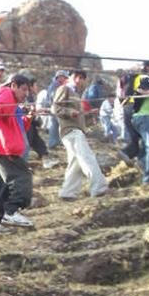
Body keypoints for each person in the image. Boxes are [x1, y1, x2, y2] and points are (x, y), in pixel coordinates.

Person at [0, 74, 34, 235]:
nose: (26, 94)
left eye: (28, 90)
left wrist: (29, 117)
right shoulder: (6, 94)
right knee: (23, 177)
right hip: (4, 149)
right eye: (23, 89)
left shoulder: (14, 106)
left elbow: (17, 127)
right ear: (14, 86)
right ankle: (11, 212)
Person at [52, 70, 108, 199]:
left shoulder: (76, 94)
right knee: (86, 157)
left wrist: (88, 114)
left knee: (76, 162)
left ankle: (67, 192)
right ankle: (99, 187)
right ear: (70, 77)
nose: (79, 80)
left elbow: (77, 115)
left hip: (75, 129)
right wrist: (71, 112)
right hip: (71, 130)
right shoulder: (64, 89)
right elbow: (55, 108)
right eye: (76, 77)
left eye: (82, 78)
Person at [44, 70, 69, 148]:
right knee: (55, 125)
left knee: (57, 125)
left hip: (56, 107)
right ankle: (52, 143)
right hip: (54, 107)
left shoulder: (58, 85)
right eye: (64, 77)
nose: (65, 79)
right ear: (59, 77)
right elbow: (53, 97)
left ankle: (56, 142)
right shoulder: (55, 85)